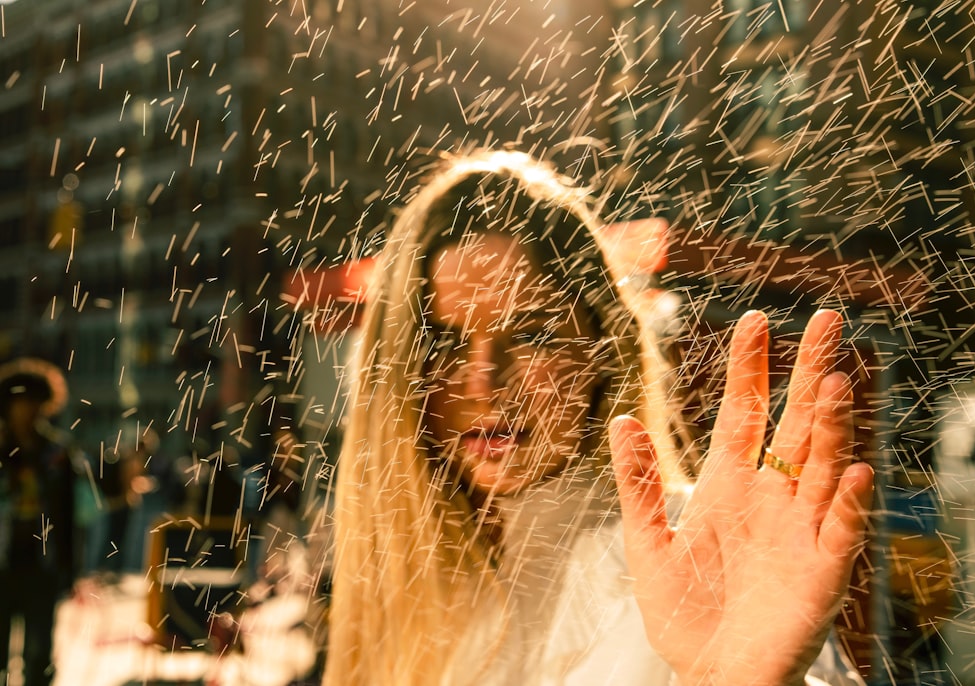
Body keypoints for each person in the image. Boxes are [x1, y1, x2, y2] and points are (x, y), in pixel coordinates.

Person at [322, 149, 874, 685]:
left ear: (603, 352)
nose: (481, 382)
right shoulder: (414, 582)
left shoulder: (693, 559)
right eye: (443, 342)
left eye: (533, 334)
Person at [0, 357, 79, 686]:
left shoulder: (57, 454)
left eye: (34, 403)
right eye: (20, 402)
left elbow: (69, 514)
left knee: (38, 653)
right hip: (2, 565)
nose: (27, 411)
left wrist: (70, 565)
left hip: (41, 567)